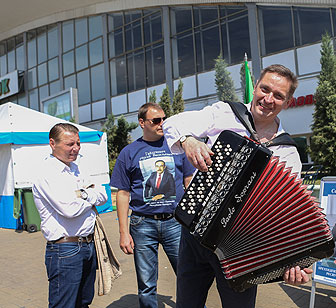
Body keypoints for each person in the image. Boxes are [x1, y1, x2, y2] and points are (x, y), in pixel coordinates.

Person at [162, 64, 310, 308]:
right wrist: (188, 141)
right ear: (256, 87)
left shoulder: (288, 153)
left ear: (288, 102)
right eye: (265, 89)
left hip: (239, 248)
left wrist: (295, 261)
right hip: (195, 234)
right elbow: (173, 123)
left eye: (278, 95)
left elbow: (285, 214)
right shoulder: (225, 113)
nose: (268, 98)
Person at [110, 103, 194, 308]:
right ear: (142, 123)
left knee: (190, 276)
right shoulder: (129, 152)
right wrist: (123, 232)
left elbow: (189, 182)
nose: (161, 124)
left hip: (176, 222)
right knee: (147, 284)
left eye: (164, 119)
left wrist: (194, 220)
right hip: (142, 225)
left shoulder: (177, 146)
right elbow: (122, 194)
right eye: (155, 120)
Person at [32, 123, 108, 308]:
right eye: (69, 144)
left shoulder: (77, 168)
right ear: (52, 143)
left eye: (78, 143)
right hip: (65, 250)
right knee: (64, 304)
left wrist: (82, 194)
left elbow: (103, 195)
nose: (75, 149)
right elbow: (69, 209)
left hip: (88, 246)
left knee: (83, 302)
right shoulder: (47, 173)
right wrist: (89, 194)